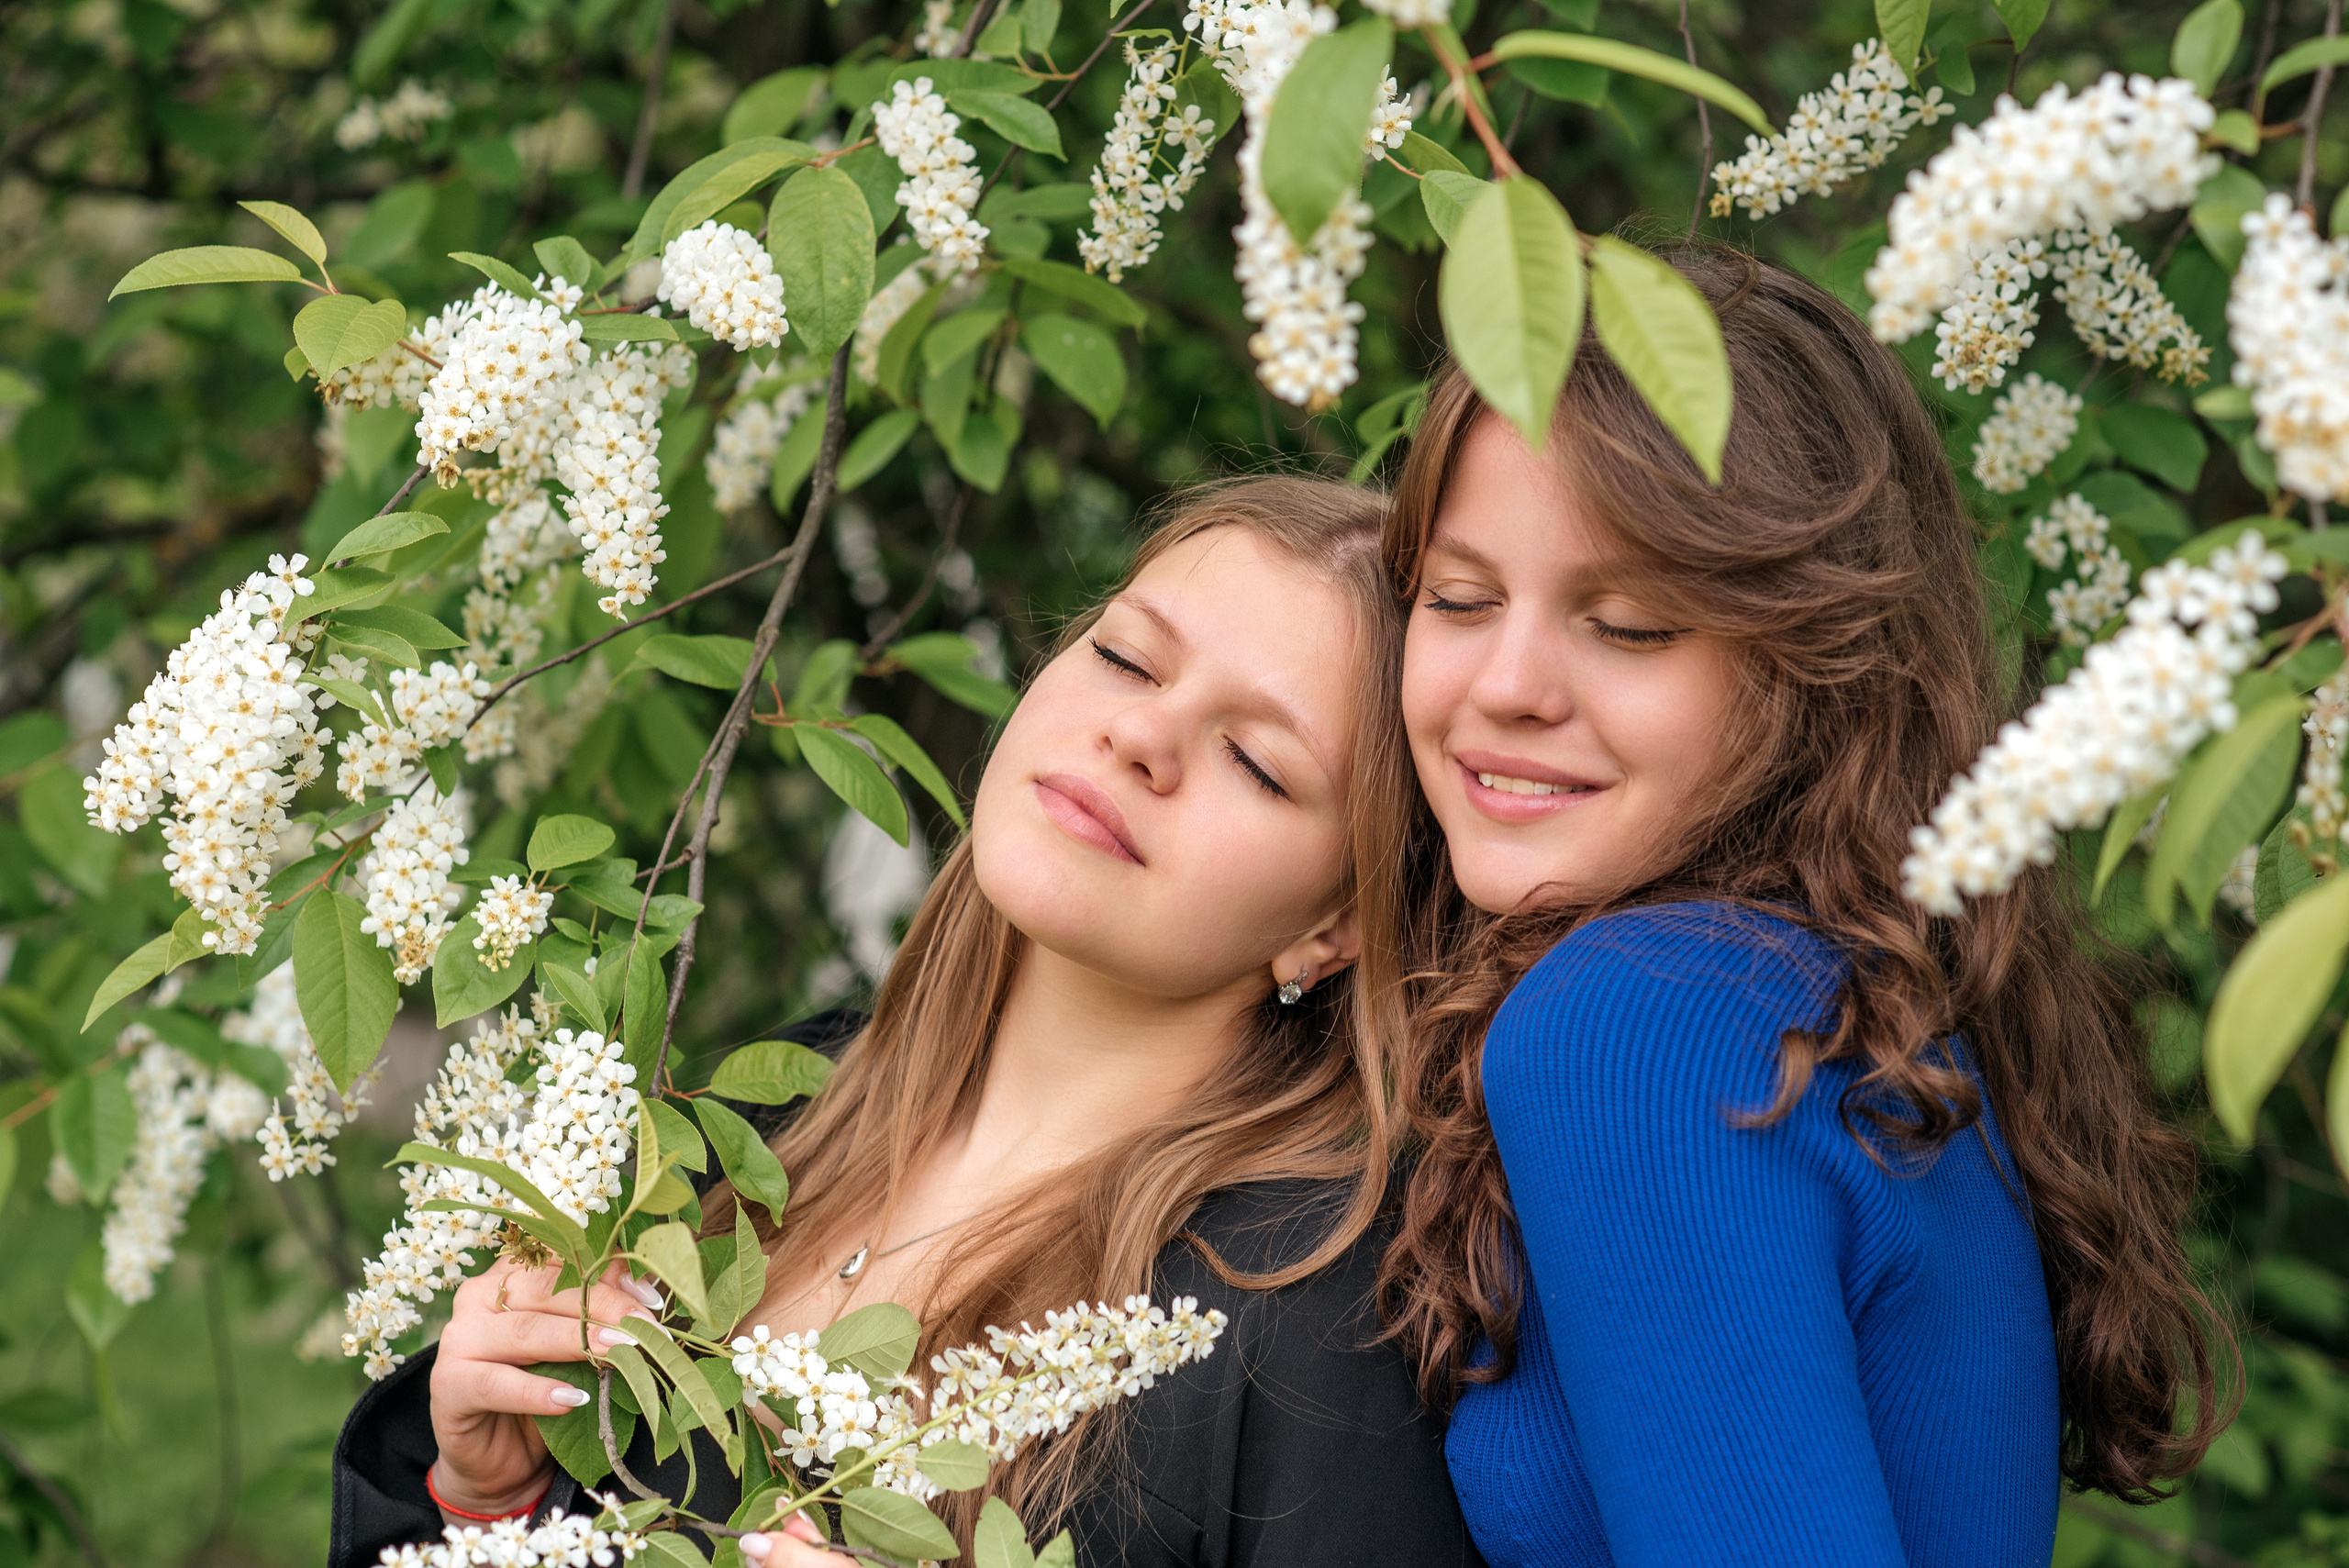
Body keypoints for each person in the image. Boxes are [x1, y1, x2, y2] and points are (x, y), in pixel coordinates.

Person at [328, 476, 1482, 1568]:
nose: (1141, 735)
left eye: (1254, 759)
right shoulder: (758, 1118)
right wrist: (485, 1500)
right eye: (1126, 657)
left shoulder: (1304, 1337)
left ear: (1337, 923)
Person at [1370, 250, 2231, 1567]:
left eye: (1634, 623)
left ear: (1816, 662)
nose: (1508, 684)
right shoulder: (1852, 1013)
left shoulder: (1636, 1024)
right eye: (1459, 598)